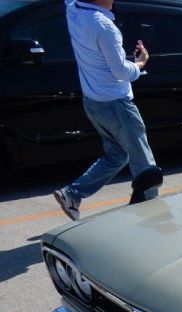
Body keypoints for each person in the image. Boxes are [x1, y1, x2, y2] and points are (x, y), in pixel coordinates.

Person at [54, 0, 158, 221]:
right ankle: (153, 219)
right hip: (117, 105)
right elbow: (120, 71)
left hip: (93, 103)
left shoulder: (73, 11)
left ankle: (72, 194)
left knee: (118, 155)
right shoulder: (104, 26)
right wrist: (140, 64)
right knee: (145, 167)